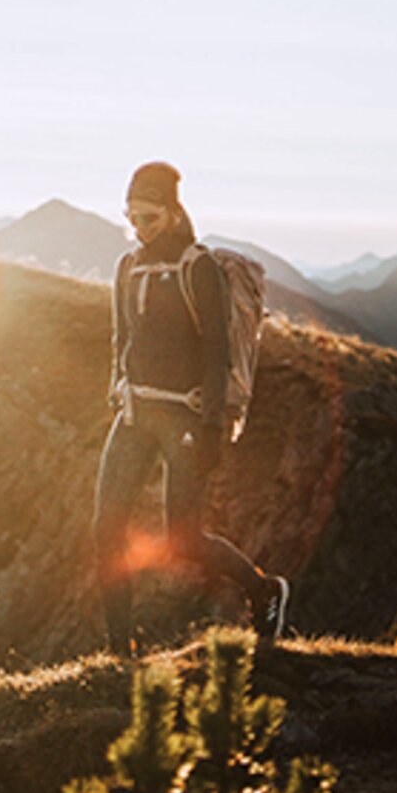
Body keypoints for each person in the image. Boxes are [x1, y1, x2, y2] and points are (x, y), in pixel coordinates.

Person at [95, 160, 289, 653]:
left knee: (184, 540)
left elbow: (216, 351)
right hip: (135, 414)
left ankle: (263, 590)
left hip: (185, 417)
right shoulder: (126, 266)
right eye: (132, 217)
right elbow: (123, 335)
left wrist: (212, 428)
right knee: (106, 530)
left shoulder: (197, 267)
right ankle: (121, 651)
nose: (139, 229)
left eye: (149, 218)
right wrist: (117, 390)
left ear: (173, 211)